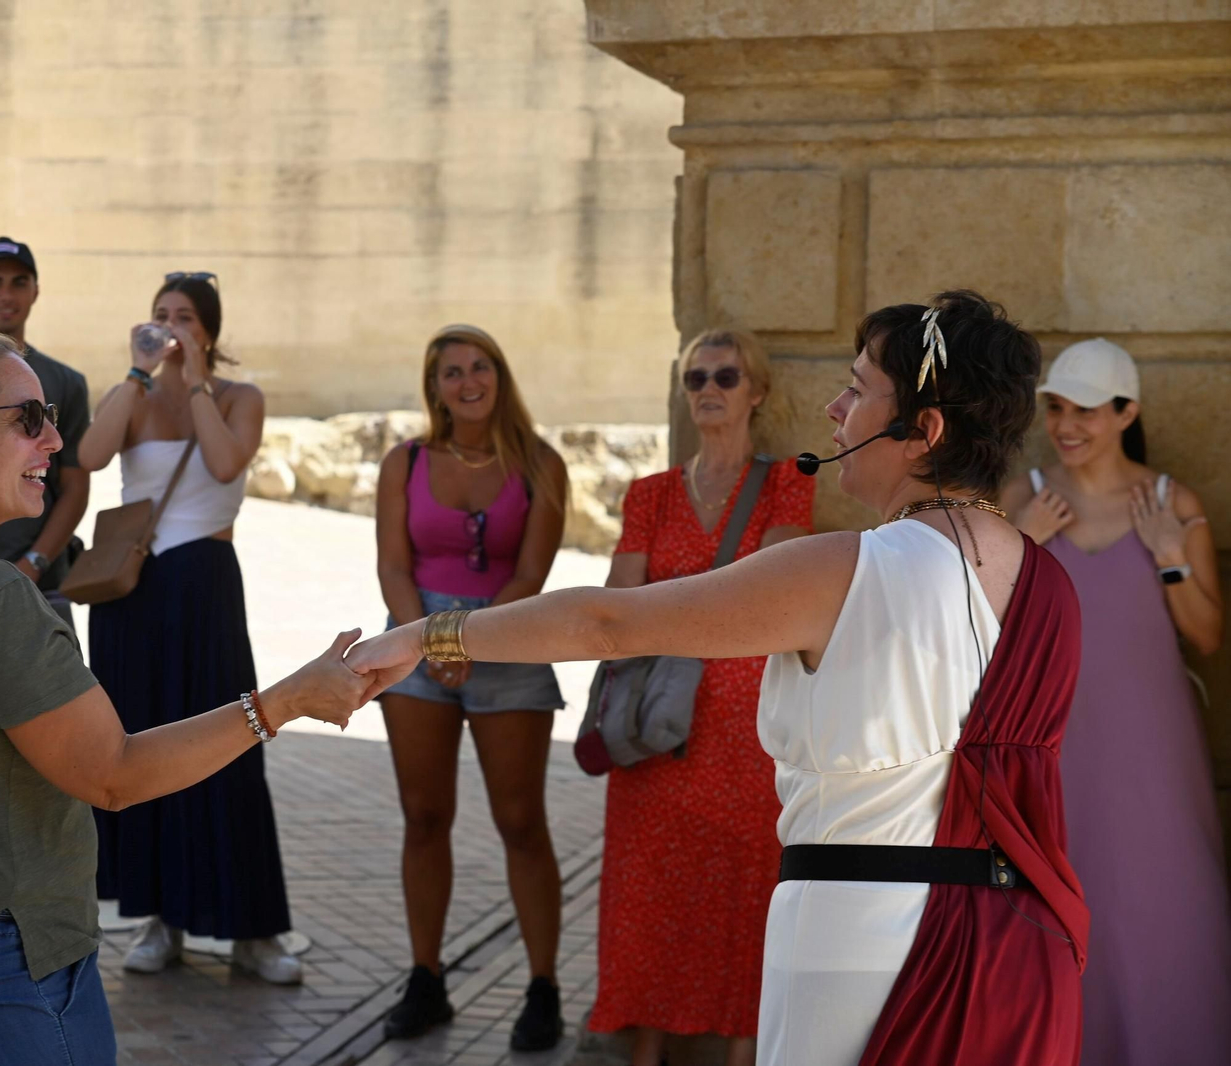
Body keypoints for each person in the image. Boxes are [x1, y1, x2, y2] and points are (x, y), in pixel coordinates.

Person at [348, 291, 1090, 1066]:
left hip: (860, 942)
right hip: (1018, 944)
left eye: (859, 388)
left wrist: (424, 636)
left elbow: (611, 622)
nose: (835, 408)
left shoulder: (843, 569)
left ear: (922, 432)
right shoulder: (1050, 586)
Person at [0, 330, 385, 1063]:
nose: (54, 439)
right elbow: (112, 775)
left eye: (49, 414)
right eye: (27, 419)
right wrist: (283, 702)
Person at [1000, 338, 1231, 1065]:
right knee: (1058, 914)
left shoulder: (1170, 502)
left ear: (1127, 412)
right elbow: (987, 637)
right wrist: (1024, 546)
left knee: (1162, 904)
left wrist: (1168, 555)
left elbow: (1207, 636)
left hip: (1154, 758)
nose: (1067, 425)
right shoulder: (1026, 499)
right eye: (1057, 408)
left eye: (1087, 411)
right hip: (1054, 756)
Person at [76, 272, 302, 983]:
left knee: (231, 742)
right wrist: (139, 374)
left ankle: (254, 931)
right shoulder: (134, 394)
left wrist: (197, 379)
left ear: (209, 328)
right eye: (160, 316)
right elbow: (87, 456)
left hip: (203, 585)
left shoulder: (239, 398)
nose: (171, 327)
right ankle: (158, 919)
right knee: (139, 749)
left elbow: (227, 461)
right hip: (133, 594)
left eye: (185, 318)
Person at [596, 329, 813, 1066]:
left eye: (726, 375)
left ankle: (744, 1055)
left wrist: (669, 604)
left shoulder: (788, 481)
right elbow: (618, 602)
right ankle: (644, 1053)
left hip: (745, 735)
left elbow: (777, 596)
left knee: (745, 900)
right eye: (695, 379)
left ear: (757, 390)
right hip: (659, 729)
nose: (709, 389)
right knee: (647, 903)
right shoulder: (650, 495)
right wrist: (707, 609)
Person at [373, 324, 571, 1051]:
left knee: (521, 819)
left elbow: (531, 575)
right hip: (415, 634)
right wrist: (426, 637)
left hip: (512, 638)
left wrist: (469, 641)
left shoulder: (541, 462)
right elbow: (392, 566)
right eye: (451, 371)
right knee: (423, 815)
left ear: (500, 375)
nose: (467, 381)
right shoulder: (405, 461)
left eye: (479, 367)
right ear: (436, 387)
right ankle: (426, 978)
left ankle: (544, 986)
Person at [0, 236, 91, 629]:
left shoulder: (65, 382)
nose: (6, 293)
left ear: (36, 292)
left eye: (19, 282)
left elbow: (74, 487)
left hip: (37, 587)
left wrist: (32, 564)